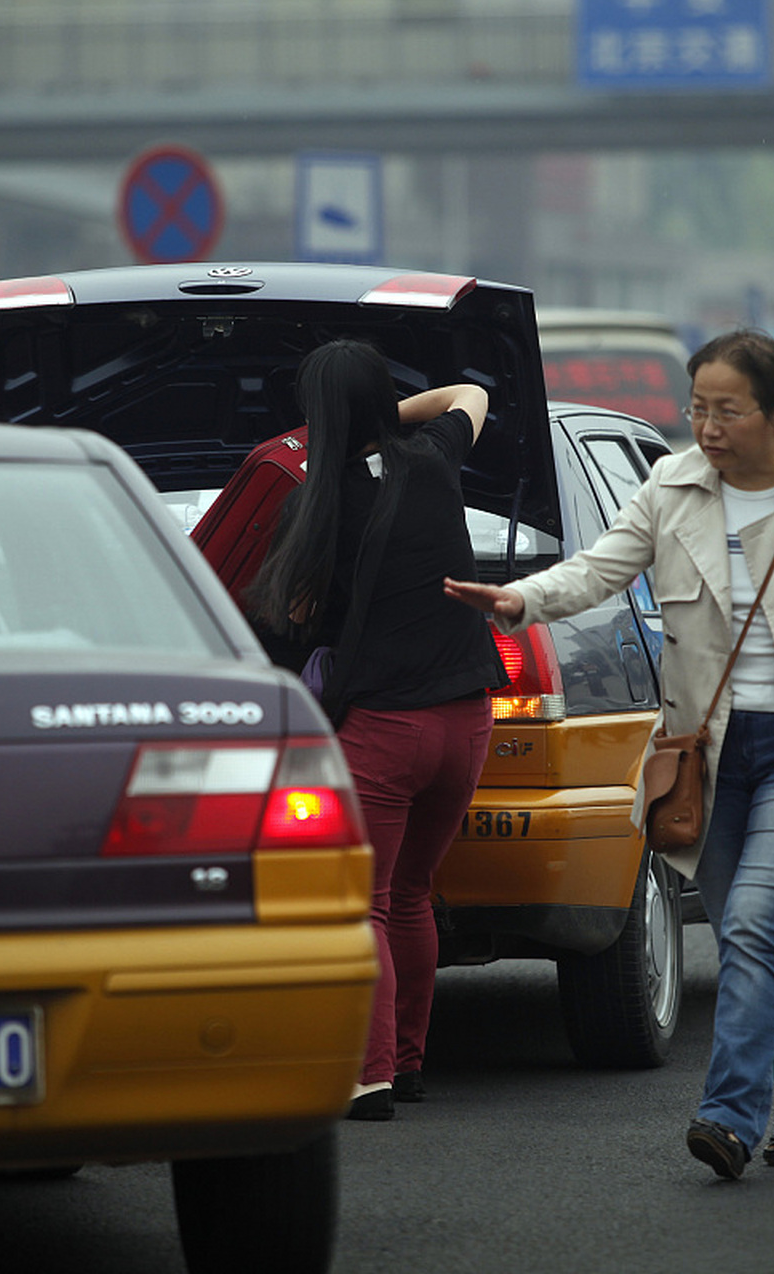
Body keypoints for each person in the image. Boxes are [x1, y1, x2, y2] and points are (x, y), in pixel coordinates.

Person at [443, 330, 774, 1179]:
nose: (706, 426)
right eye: (697, 407)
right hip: (706, 754)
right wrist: (519, 600)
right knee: (756, 939)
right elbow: (596, 570)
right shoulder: (671, 487)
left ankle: (729, 1118)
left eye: (727, 410)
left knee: (748, 922)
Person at [244, 339, 506, 1120]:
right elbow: (470, 393)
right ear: (383, 400)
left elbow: (294, 627)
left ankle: (372, 1075)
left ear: (318, 413)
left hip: (381, 736)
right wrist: (386, 415)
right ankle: (413, 1062)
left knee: (369, 903)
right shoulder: (432, 463)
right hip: (466, 723)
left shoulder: (311, 504)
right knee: (415, 896)